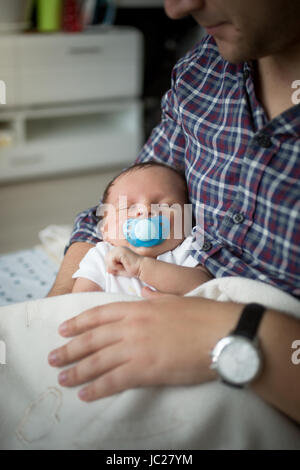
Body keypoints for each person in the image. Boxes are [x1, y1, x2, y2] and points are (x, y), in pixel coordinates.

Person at [48, 0, 300, 425]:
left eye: (164, 209)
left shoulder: (187, 252)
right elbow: (127, 196)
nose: (177, 8)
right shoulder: (203, 70)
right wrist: (55, 316)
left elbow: (197, 280)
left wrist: (231, 337)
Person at [72, 161, 212, 296]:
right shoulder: (101, 256)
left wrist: (142, 268)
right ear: (106, 228)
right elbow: (80, 302)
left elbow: (204, 287)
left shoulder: (187, 250)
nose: (145, 210)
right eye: (129, 207)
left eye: (163, 205)